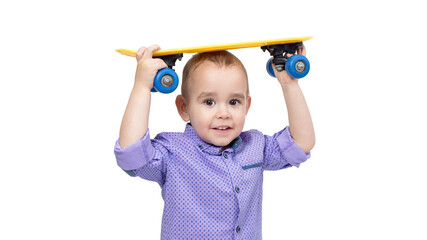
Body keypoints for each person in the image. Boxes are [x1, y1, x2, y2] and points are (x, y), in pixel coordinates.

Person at [114, 44, 315, 239]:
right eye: (209, 102)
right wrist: (141, 87)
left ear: (247, 106)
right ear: (184, 108)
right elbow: (131, 154)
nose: (223, 113)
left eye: (234, 102)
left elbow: (301, 143)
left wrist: (290, 84)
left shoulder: (255, 146)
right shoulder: (172, 152)